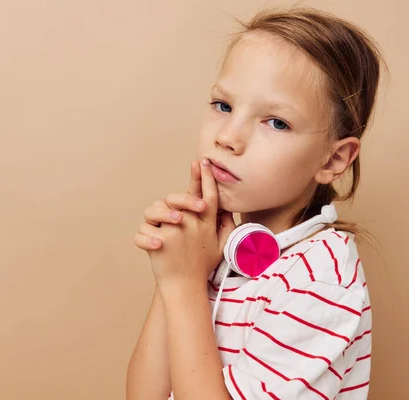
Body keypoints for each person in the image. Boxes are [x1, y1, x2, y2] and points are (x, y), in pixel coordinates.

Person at [127, 6, 384, 400]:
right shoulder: (217, 248)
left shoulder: (320, 282)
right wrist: (177, 270)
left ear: (332, 159)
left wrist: (183, 284)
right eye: (223, 106)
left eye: (276, 122)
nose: (228, 137)